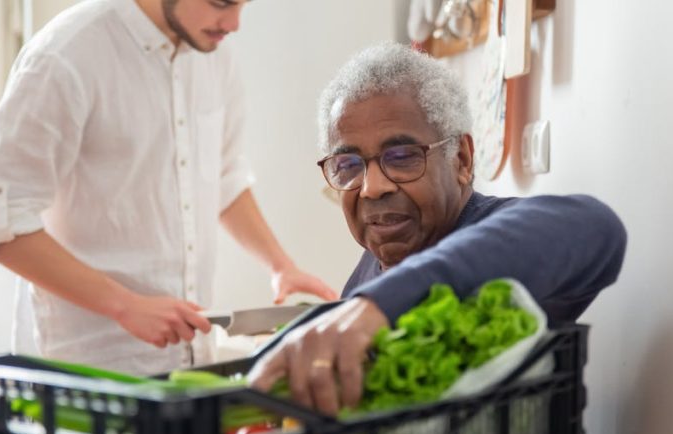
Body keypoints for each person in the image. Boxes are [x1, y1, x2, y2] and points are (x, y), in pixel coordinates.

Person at [0, 0, 337, 375]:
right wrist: (124, 304)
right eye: (221, 2)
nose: (235, 23)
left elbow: (224, 176)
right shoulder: (65, 55)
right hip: (87, 369)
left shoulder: (215, 55)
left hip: (191, 361)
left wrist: (280, 265)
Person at [249, 43, 627, 415]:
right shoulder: (370, 268)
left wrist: (382, 304)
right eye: (348, 165)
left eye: (402, 157)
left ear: (461, 159)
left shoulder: (500, 239)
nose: (372, 187)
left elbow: (596, 227)